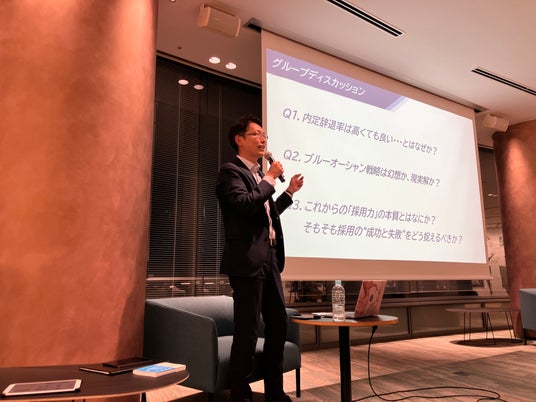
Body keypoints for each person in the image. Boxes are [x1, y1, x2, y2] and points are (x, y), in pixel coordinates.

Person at [216, 116, 304, 402]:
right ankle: (240, 395)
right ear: (239, 139)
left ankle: (274, 393)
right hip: (246, 261)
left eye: (264, 134)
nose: (263, 139)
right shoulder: (231, 172)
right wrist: (269, 178)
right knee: (248, 328)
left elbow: (266, 214)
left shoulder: (258, 177)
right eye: (256, 133)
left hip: (269, 258)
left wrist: (288, 192)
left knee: (278, 324)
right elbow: (244, 205)